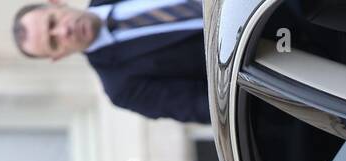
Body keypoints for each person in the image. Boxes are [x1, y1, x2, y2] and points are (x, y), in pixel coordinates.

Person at [12, 0, 209, 124]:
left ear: (56, 3)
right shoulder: (123, 88)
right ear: (58, 56)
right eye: (54, 42)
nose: (64, 32)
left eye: (53, 22)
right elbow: (207, 105)